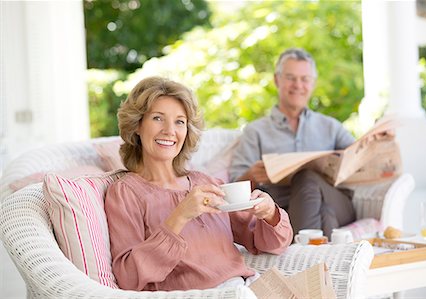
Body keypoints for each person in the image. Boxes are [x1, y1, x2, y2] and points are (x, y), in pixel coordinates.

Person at [104, 76, 293, 292]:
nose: (169, 130)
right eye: (158, 118)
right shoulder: (125, 193)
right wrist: (180, 216)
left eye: (179, 121)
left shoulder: (207, 183)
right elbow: (128, 276)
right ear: (137, 125)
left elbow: (270, 244)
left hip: (245, 288)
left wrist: (269, 213)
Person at [229, 48, 356, 238]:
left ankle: (301, 254)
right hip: (282, 207)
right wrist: (251, 175)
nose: (298, 85)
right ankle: (324, 258)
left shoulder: (331, 127)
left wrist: (377, 144)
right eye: (290, 78)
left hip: (337, 201)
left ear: (312, 84)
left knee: (307, 178)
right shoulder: (255, 131)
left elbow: (357, 158)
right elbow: (234, 184)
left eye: (304, 79)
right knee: (325, 214)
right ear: (276, 79)